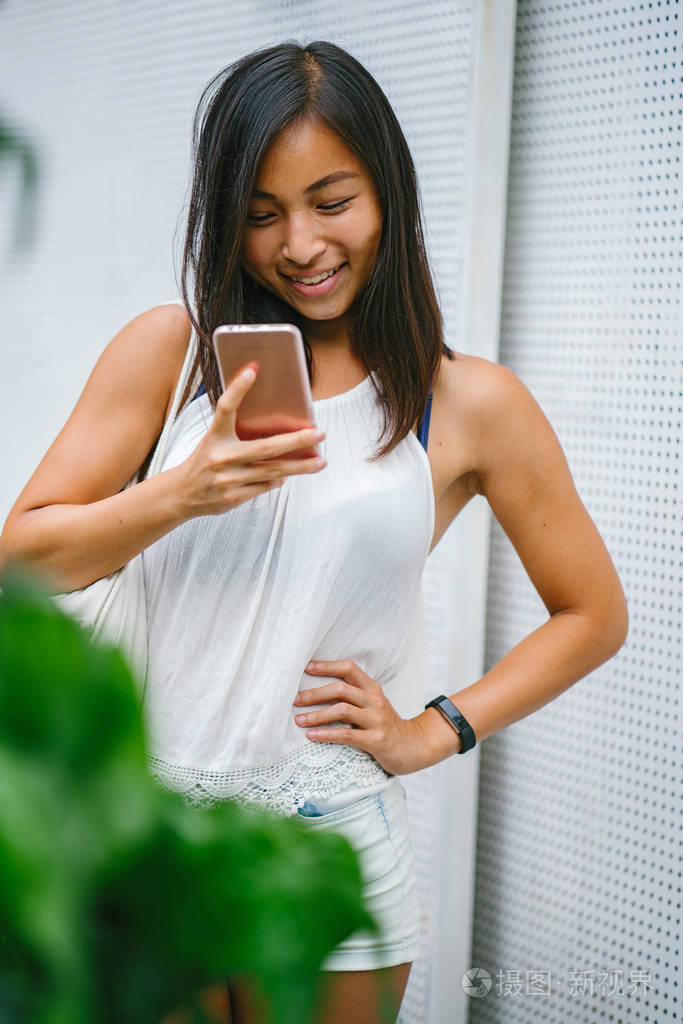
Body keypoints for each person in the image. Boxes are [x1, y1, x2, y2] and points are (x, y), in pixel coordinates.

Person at [0, 40, 628, 1024]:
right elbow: (22, 561)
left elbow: (590, 613)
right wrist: (180, 493)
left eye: (331, 202)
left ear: (387, 195)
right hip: (156, 840)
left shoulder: (461, 403)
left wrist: (433, 728)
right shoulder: (169, 356)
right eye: (261, 214)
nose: (298, 243)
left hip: (332, 837)